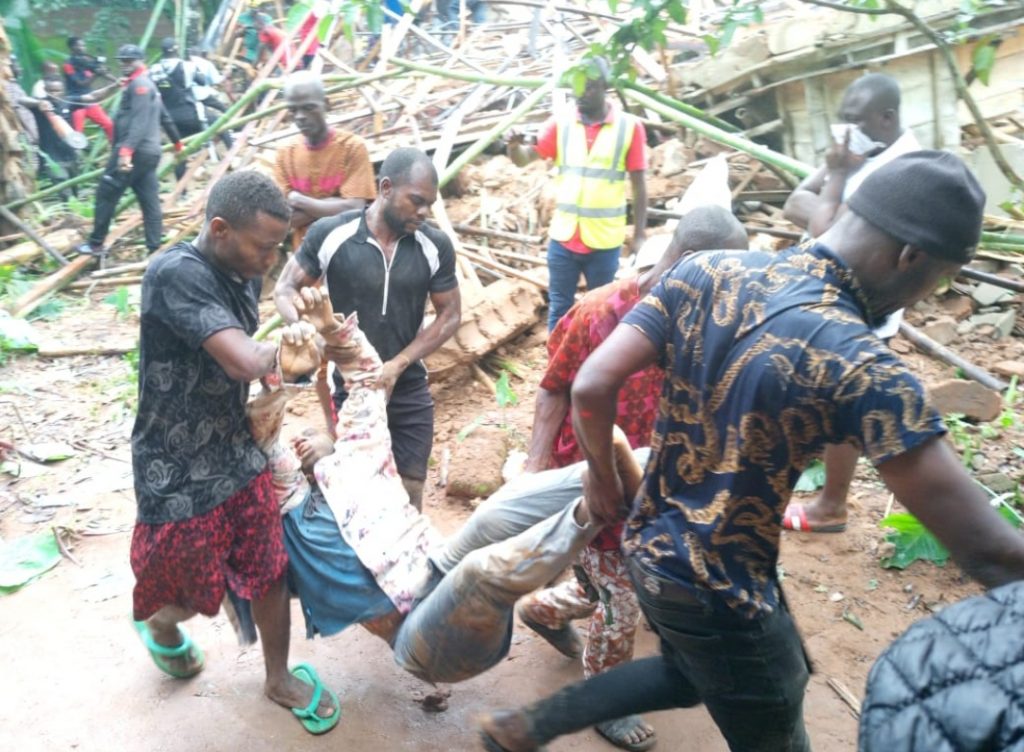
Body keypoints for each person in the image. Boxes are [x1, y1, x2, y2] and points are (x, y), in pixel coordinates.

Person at [478, 152, 1024, 752]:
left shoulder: (705, 271)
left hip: (648, 546)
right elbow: (989, 553)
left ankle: (529, 726)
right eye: (939, 278)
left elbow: (590, 385)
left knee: (695, 673)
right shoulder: (864, 368)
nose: (928, 294)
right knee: (775, 716)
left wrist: (601, 480)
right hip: (723, 586)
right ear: (911, 257)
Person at [265, 285, 648, 686]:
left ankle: (635, 466)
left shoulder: (358, 456)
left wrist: (329, 327)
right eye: (294, 442)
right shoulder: (294, 509)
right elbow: (258, 438)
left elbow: (366, 379)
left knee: (494, 514)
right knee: (481, 570)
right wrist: (283, 377)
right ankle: (588, 511)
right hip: (423, 638)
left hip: (437, 565)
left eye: (309, 432)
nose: (301, 440)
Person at [517, 206, 748, 752]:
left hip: (655, 483)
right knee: (623, 597)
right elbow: (553, 387)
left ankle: (541, 610)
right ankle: (604, 703)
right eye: (725, 275)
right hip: (593, 477)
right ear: (693, 261)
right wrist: (533, 470)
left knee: (603, 586)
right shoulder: (598, 312)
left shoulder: (700, 321)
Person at [128, 170, 340, 735]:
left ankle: (276, 675)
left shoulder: (241, 270)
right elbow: (244, 361)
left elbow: (259, 363)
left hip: (235, 448)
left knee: (268, 564)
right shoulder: (174, 273)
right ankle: (162, 624)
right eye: (265, 245)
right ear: (220, 229)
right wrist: (290, 352)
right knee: (196, 591)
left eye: (278, 246)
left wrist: (300, 345)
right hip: (173, 466)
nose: (272, 260)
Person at [274, 147, 461, 511]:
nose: (424, 212)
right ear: (387, 188)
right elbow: (285, 288)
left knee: (409, 492)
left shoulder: (433, 245)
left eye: (430, 204)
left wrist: (399, 364)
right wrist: (304, 330)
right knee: (356, 492)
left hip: (407, 383)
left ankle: (408, 563)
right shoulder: (332, 234)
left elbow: (450, 314)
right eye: (417, 201)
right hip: (349, 385)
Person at [781, 73, 921, 534]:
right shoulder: (863, 153)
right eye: (842, 120)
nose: (845, 131)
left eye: (855, 120)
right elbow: (794, 202)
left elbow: (825, 227)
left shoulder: (905, 167)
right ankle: (796, 478)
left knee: (844, 399)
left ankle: (832, 506)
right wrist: (831, 195)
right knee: (808, 389)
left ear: (887, 117)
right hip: (825, 293)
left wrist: (835, 178)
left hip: (864, 303)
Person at [507, 56, 648, 331]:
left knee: (602, 310)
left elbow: (639, 184)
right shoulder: (560, 123)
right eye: (578, 86)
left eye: (591, 86)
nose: (581, 93)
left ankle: (596, 370)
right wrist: (513, 146)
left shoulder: (629, 127)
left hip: (604, 240)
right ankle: (557, 370)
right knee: (559, 307)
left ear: (606, 86)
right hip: (564, 237)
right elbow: (524, 159)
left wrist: (640, 234)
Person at [74, 44, 183, 258]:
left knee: (106, 194)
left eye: (129, 61)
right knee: (149, 199)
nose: (124, 65)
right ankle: (154, 248)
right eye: (122, 61)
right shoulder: (146, 84)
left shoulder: (140, 85)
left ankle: (96, 245)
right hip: (150, 153)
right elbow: (165, 118)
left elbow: (140, 122)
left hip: (134, 151)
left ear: (140, 60)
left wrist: (125, 151)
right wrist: (178, 144)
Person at [273, 71, 377, 250]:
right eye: (293, 110)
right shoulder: (284, 155)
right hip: (307, 260)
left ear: (326, 105)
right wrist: (333, 203)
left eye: (308, 107)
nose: (300, 116)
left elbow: (355, 209)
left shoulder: (352, 148)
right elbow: (282, 220)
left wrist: (298, 200)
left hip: (352, 253)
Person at [150, 37, 207, 181]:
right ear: (177, 49)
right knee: (217, 123)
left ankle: (181, 192)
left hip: (167, 119)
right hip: (188, 113)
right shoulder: (188, 66)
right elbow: (202, 81)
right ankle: (227, 158)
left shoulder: (154, 69)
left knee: (179, 148)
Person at [62, 36, 114, 141]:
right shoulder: (68, 65)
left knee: (109, 125)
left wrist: (117, 81)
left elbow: (101, 72)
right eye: (79, 45)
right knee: (77, 134)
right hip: (77, 103)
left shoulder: (86, 61)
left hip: (90, 102)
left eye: (83, 45)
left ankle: (114, 148)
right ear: (72, 47)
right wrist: (96, 74)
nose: (83, 48)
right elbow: (81, 84)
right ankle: (76, 155)